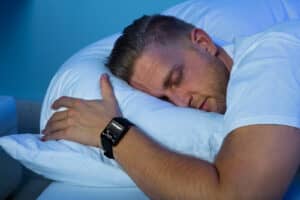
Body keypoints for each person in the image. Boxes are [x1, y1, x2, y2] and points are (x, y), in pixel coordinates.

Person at [41, 15, 300, 199]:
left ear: (203, 43)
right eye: (164, 101)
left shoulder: (270, 56)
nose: (181, 103)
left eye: (176, 78)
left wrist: (114, 132)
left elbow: (237, 196)